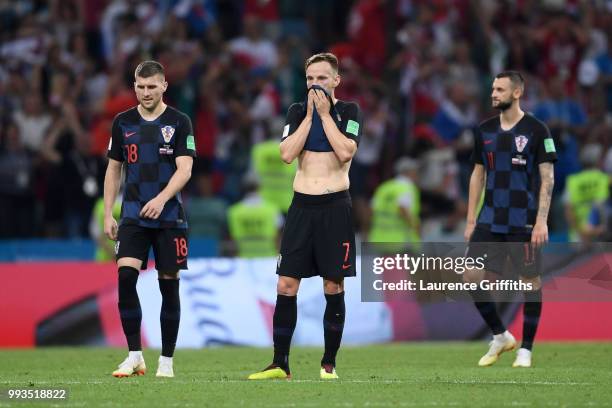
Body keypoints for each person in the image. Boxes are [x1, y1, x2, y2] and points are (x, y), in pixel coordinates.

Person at [248, 52, 362, 380]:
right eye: (310, 79)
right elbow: (285, 154)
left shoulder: (349, 112)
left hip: (334, 207)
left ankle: (329, 364)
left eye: (322, 79)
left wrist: (326, 115)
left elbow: (345, 152)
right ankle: (280, 364)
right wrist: (312, 116)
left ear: (336, 80)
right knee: (285, 284)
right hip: (301, 207)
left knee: (332, 284)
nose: (315, 85)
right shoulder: (297, 112)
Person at [103, 61, 196, 378]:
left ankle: (166, 361)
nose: (145, 92)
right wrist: (107, 213)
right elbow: (113, 169)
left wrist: (161, 199)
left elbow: (185, 168)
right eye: (140, 87)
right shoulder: (122, 122)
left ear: (164, 86)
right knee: (125, 278)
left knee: (168, 286)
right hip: (132, 216)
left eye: (152, 86)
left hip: (169, 217)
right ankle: (134, 355)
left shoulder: (179, 122)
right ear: (135, 86)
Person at [464, 71, 557, 368]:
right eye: (492, 88)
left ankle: (526, 349)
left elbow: (548, 178)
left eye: (500, 89)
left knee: (530, 282)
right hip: (489, 219)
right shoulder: (484, 130)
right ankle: (501, 335)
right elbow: (477, 174)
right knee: (470, 275)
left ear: (517, 93)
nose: (493, 93)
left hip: (524, 221)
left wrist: (541, 221)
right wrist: (470, 220)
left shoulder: (537, 129)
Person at [227, 172, 282, 258]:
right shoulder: (272, 209)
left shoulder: (234, 211)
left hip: (243, 259)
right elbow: (278, 239)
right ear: (260, 187)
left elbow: (232, 242)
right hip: (268, 259)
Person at [369, 157, 421, 245]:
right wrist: (416, 228)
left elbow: (371, 210)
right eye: (416, 171)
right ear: (410, 172)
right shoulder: (407, 187)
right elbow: (403, 208)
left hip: (379, 239)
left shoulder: (385, 187)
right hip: (401, 241)